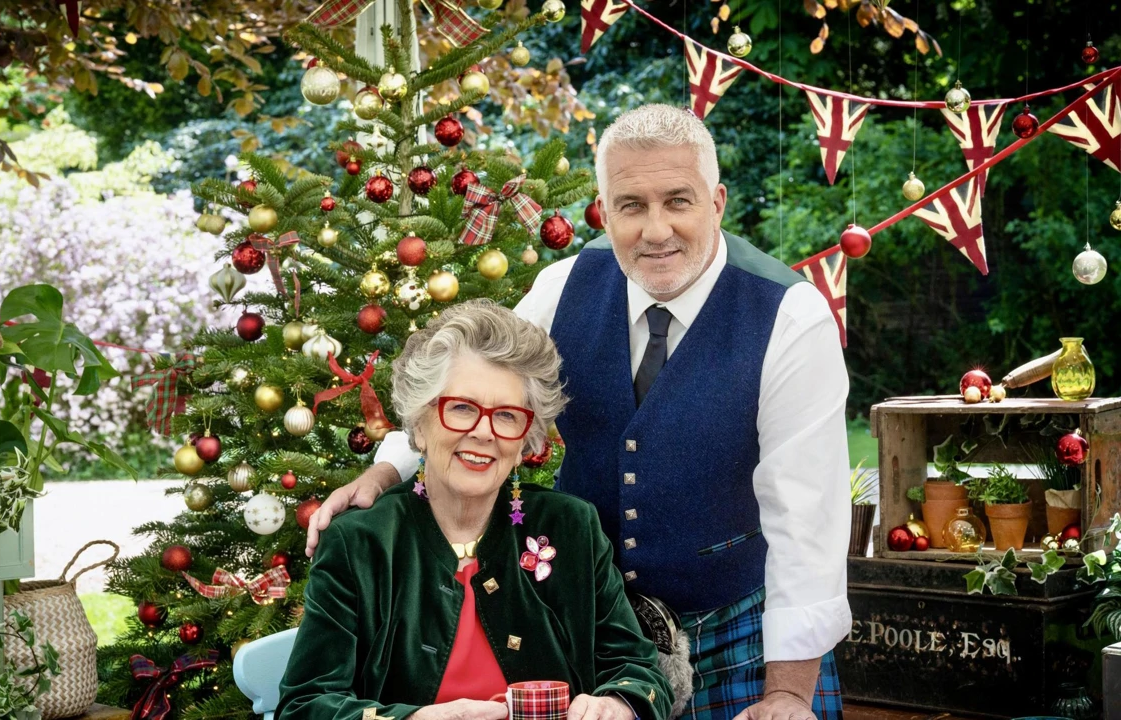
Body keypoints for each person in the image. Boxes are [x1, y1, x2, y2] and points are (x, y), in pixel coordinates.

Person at [309, 104, 852, 720]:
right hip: (590, 630)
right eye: (631, 205)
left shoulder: (790, 316)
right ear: (604, 208)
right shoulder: (564, 284)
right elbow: (470, 379)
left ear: (718, 202)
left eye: (678, 201)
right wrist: (386, 472)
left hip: (740, 629)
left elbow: (807, 517)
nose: (655, 230)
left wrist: (787, 692)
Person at [278, 300, 675, 720]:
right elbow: (304, 705)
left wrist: (617, 705)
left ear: (525, 441)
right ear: (419, 424)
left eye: (506, 415)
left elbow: (639, 671)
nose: (483, 432)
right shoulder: (359, 542)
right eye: (462, 408)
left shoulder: (571, 527)